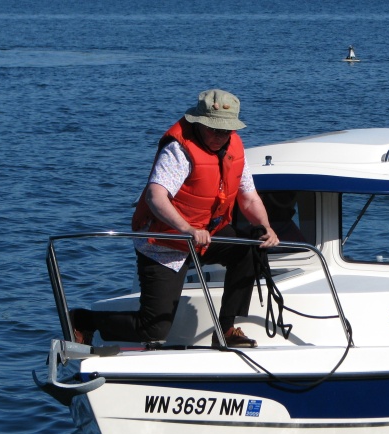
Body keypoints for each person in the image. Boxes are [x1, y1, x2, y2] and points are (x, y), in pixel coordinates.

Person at [70, 89, 279, 347]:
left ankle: (225, 330)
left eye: (225, 131)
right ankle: (84, 320)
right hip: (164, 241)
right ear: (198, 122)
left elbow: (249, 198)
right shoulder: (178, 151)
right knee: (154, 329)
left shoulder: (234, 148)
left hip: (204, 235)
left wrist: (266, 227)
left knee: (249, 249)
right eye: (213, 129)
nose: (219, 136)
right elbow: (155, 197)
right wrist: (186, 228)